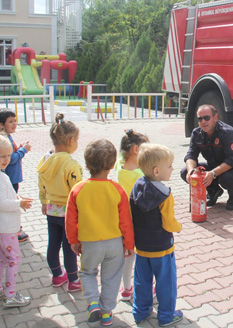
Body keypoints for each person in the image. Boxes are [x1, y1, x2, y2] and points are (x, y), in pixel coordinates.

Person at [66, 139, 134, 326]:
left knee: (87, 273)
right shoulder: (117, 189)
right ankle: (107, 312)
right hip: (114, 243)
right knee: (111, 278)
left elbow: (70, 219)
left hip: (89, 243)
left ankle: (93, 302)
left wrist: (73, 240)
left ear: (87, 164)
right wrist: (129, 244)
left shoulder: (78, 189)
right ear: (112, 165)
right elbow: (125, 221)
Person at [131, 143, 183, 326]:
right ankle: (166, 316)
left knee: (141, 281)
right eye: (169, 166)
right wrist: (179, 226)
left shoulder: (137, 186)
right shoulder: (165, 195)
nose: (172, 169)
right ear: (156, 170)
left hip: (142, 247)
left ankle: (139, 312)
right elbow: (169, 223)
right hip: (162, 248)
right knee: (165, 283)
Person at [0, 133, 33, 307]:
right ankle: (10, 295)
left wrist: (17, 197)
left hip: (0, 226)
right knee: (14, 259)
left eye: (8, 155)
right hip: (6, 227)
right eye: (2, 156)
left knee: (2, 259)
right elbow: (1, 203)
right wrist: (19, 203)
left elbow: (2, 196)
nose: (6, 159)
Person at [37, 113, 82, 292]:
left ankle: (57, 276)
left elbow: (41, 183)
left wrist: (43, 201)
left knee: (53, 244)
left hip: (51, 209)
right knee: (69, 246)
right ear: (71, 140)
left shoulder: (45, 160)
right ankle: (73, 280)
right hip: (68, 212)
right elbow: (77, 190)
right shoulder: (70, 164)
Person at [181, 104, 233, 210]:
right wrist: (191, 171)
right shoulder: (196, 133)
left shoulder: (228, 132)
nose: (203, 121)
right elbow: (191, 155)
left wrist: (212, 174)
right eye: (200, 119)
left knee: (226, 178)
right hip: (213, 166)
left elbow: (232, 159)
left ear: (215, 117)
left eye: (206, 118)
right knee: (185, 172)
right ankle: (213, 191)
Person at [115, 129, 149, 301]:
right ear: (136, 150)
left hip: (122, 219)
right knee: (143, 255)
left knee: (127, 255)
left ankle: (126, 289)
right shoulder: (140, 175)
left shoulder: (120, 167)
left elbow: (121, 160)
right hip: (139, 220)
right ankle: (146, 287)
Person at [0, 108, 30, 243]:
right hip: (9, 178)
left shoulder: (7, 137)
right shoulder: (3, 138)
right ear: (0, 125)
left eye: (15, 121)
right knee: (12, 204)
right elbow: (10, 159)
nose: (14, 124)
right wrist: (23, 150)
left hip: (11, 177)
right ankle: (14, 230)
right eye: (10, 122)